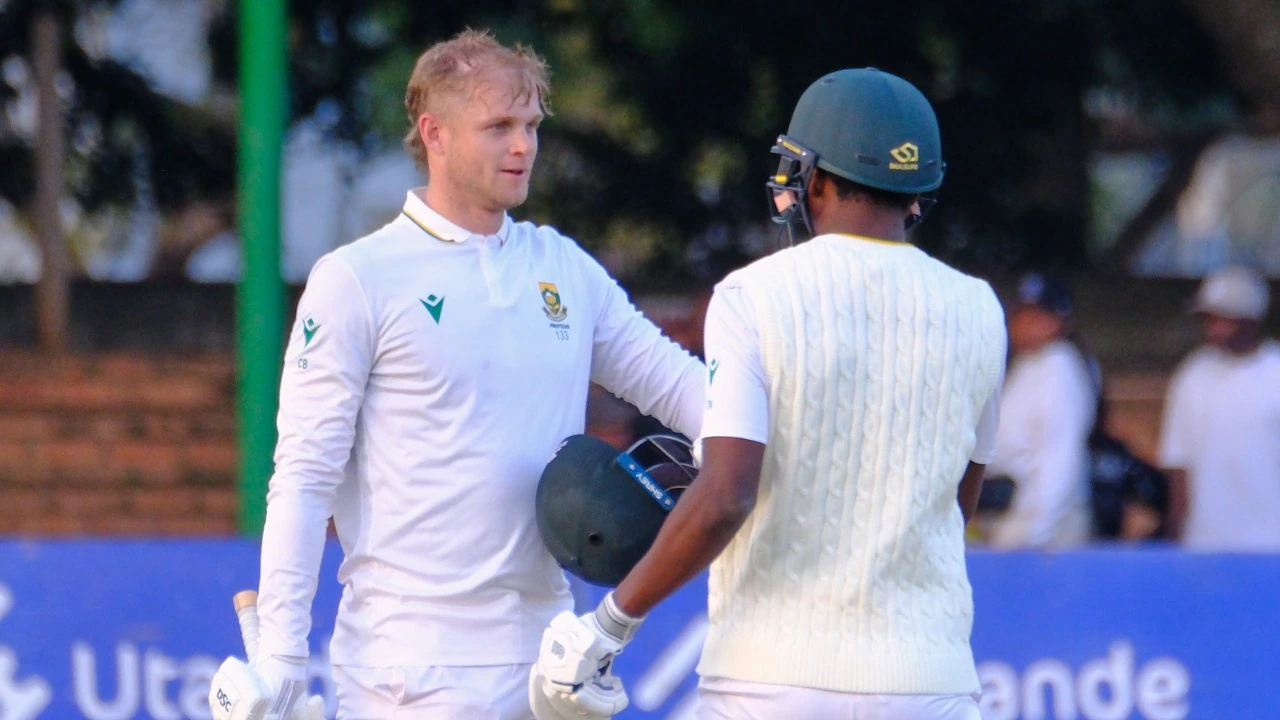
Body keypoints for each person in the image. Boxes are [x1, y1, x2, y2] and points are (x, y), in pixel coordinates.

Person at [210, 29, 704, 720]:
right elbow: (303, 474)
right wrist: (283, 657)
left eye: (531, 125)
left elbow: (682, 388)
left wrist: (769, 430)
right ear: (434, 134)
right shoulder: (357, 278)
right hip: (405, 673)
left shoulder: (562, 267)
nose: (523, 145)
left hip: (549, 666)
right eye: (499, 126)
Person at [531, 68, 1006, 720]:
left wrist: (608, 624)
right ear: (917, 191)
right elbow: (957, 500)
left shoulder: (752, 296)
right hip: (932, 679)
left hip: (774, 678)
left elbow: (727, 493)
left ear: (813, 178)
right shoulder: (981, 309)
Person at [1159, 265, 1280, 551]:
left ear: (1250, 320)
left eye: (1221, 319)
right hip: (1204, 545)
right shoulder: (1191, 375)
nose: (1211, 329)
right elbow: (1178, 465)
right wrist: (1176, 538)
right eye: (1208, 319)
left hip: (1269, 544)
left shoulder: (1275, 373)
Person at [985, 272, 1096, 549]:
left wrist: (1034, 533)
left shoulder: (1060, 368)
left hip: (1047, 525)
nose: (1027, 323)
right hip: (1013, 513)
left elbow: (1060, 459)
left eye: (1039, 315)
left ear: (1060, 320)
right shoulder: (1024, 365)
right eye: (1022, 314)